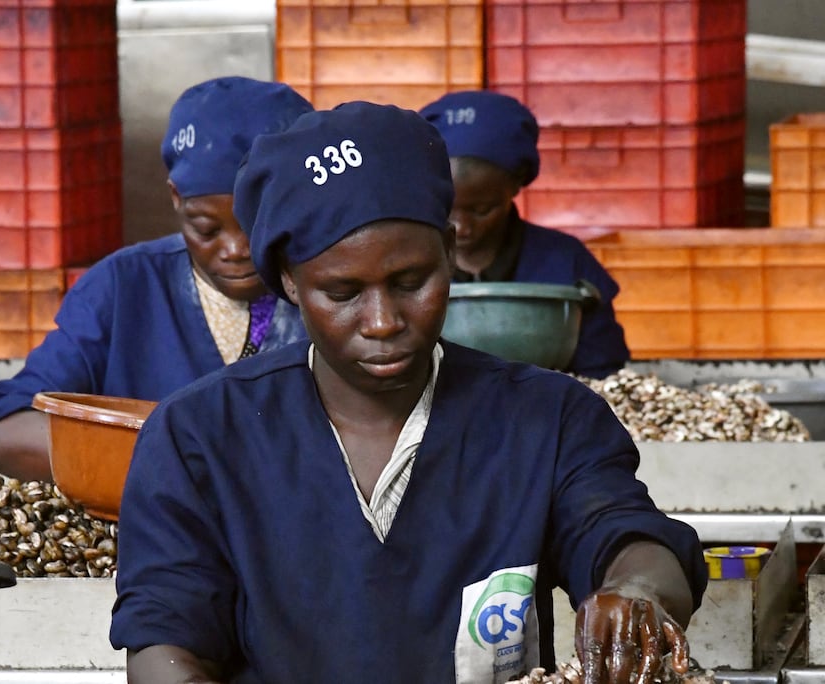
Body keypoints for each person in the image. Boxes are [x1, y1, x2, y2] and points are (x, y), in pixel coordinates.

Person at [109, 102, 707, 683]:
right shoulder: (201, 434)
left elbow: (623, 533)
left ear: (448, 250)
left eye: (411, 282)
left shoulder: (546, 419)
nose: (382, 322)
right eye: (342, 293)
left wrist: (637, 593)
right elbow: (165, 635)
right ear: (289, 280)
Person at [0, 77, 313, 482]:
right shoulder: (124, 287)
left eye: (258, 226)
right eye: (206, 229)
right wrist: (165, 473)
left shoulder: (335, 285)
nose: (236, 249)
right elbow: (5, 433)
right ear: (176, 198)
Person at [419, 90, 629, 379]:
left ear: (517, 182)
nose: (463, 227)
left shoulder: (566, 263)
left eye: (482, 210)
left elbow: (603, 370)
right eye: (448, 210)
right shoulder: (409, 261)